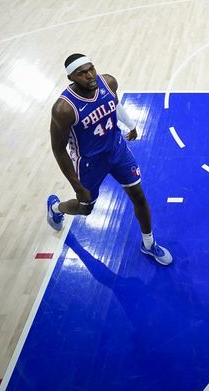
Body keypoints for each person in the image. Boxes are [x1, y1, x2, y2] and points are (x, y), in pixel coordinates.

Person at [47, 54, 172, 266]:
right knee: (85, 208)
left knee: (139, 196)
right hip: (89, 163)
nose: (89, 75)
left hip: (117, 151)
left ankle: (149, 244)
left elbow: (114, 104)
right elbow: (59, 151)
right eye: (82, 73)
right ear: (71, 77)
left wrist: (130, 124)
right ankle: (56, 208)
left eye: (91, 69)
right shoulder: (64, 109)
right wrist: (77, 186)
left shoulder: (108, 82)